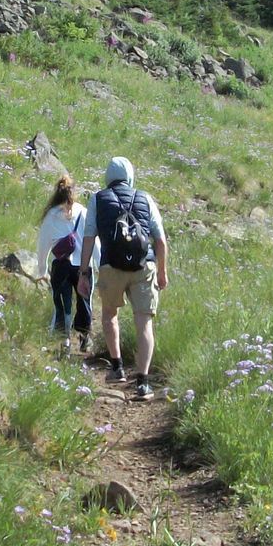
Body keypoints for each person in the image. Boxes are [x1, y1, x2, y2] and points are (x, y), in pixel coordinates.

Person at [78, 156, 169, 400]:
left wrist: (83, 272)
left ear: (108, 177)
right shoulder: (145, 198)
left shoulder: (97, 199)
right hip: (144, 265)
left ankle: (117, 367)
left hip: (111, 266)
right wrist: (162, 272)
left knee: (109, 315)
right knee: (144, 322)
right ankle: (143, 382)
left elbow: (88, 237)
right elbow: (160, 240)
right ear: (130, 176)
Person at [35, 174, 91, 346]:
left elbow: (43, 244)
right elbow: (92, 239)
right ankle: (84, 338)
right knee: (84, 302)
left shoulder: (51, 215)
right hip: (83, 265)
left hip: (60, 265)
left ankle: (63, 341)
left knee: (62, 304)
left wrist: (42, 269)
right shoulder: (83, 212)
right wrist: (96, 263)